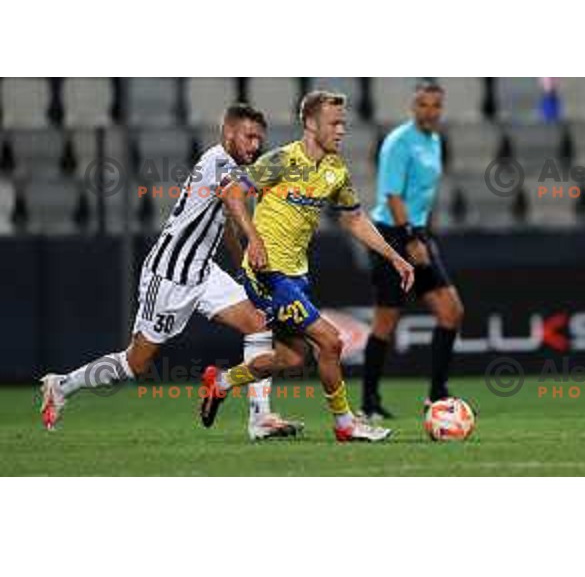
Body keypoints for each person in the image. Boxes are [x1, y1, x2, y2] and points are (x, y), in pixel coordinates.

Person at [40, 103, 303, 441]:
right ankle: (62, 385)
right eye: (249, 136)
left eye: (259, 139)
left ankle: (261, 419)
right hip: (169, 275)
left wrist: (241, 267)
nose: (254, 145)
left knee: (257, 323)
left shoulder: (234, 169)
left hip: (203, 272)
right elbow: (235, 201)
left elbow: (225, 223)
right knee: (137, 362)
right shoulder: (218, 162)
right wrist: (257, 237)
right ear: (228, 134)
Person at [200, 91, 415, 442]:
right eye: (334, 122)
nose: (342, 130)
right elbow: (232, 194)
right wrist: (252, 240)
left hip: (296, 275)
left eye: (343, 123)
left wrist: (394, 256)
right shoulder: (282, 161)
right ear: (310, 124)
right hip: (268, 273)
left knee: (292, 357)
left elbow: (355, 220)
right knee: (330, 342)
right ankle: (345, 424)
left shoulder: (335, 170)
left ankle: (221, 381)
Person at [362, 81, 464, 420]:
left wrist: (419, 234)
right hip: (392, 235)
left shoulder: (434, 141)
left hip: (416, 232)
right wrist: (411, 238)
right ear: (413, 107)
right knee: (386, 321)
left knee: (451, 311)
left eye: (436, 105)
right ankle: (369, 402)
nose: (430, 111)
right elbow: (392, 195)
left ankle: (436, 395)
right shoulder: (398, 142)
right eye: (423, 104)